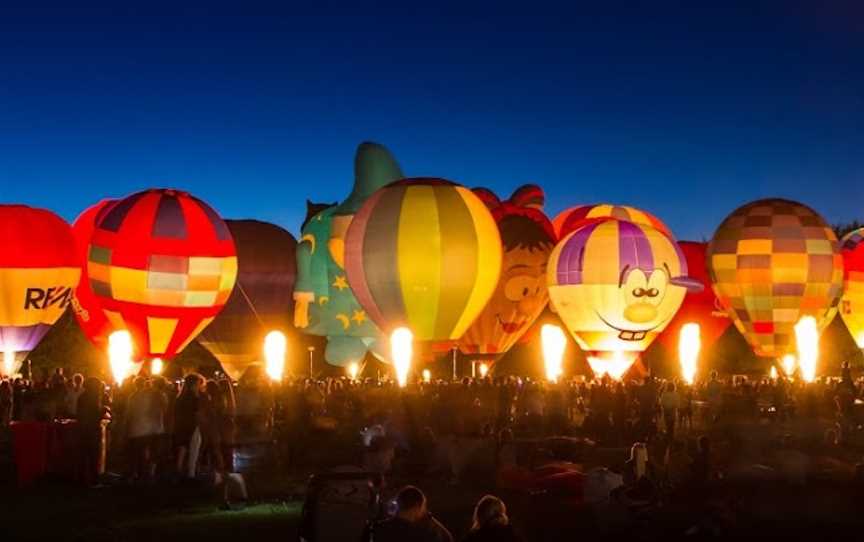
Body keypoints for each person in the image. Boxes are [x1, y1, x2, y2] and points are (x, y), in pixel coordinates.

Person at [370, 486, 453, 542]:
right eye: (423, 507)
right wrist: (429, 518)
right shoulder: (421, 536)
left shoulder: (376, 528)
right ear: (417, 505)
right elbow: (447, 538)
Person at [174, 373, 204, 479]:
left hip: (182, 425)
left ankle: (178, 470)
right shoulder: (194, 397)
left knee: (183, 447)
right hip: (193, 425)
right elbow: (197, 413)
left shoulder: (180, 397)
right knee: (194, 448)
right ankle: (191, 472)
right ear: (194, 384)